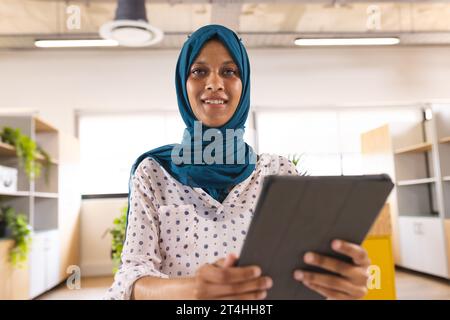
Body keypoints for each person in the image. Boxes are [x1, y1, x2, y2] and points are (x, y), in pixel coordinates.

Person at [105, 24, 370, 300]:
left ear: (244, 85)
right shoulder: (154, 173)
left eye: (229, 71)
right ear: (183, 84)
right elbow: (130, 280)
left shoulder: (279, 173)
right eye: (199, 71)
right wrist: (194, 289)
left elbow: (300, 277)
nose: (215, 84)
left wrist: (336, 286)